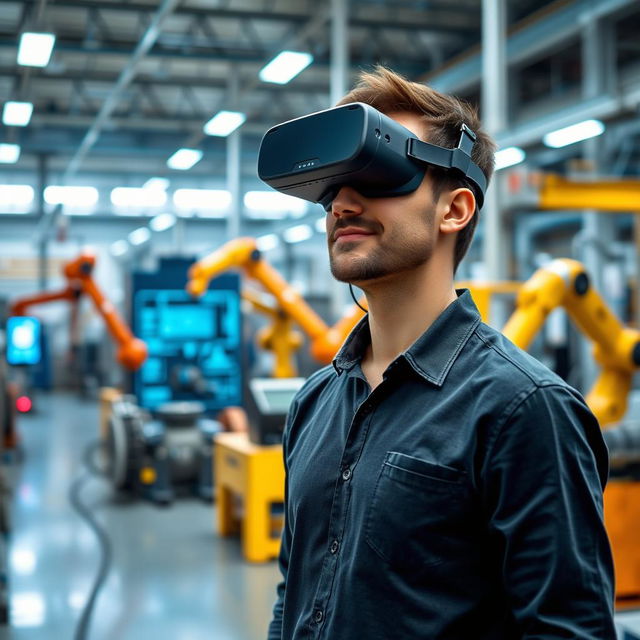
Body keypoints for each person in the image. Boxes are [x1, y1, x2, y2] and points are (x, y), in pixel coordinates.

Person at [267, 66, 615, 640]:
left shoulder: (525, 410)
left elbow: (568, 631)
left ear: (454, 209)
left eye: (377, 176)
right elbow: (296, 592)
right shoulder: (314, 401)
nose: (341, 206)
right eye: (330, 189)